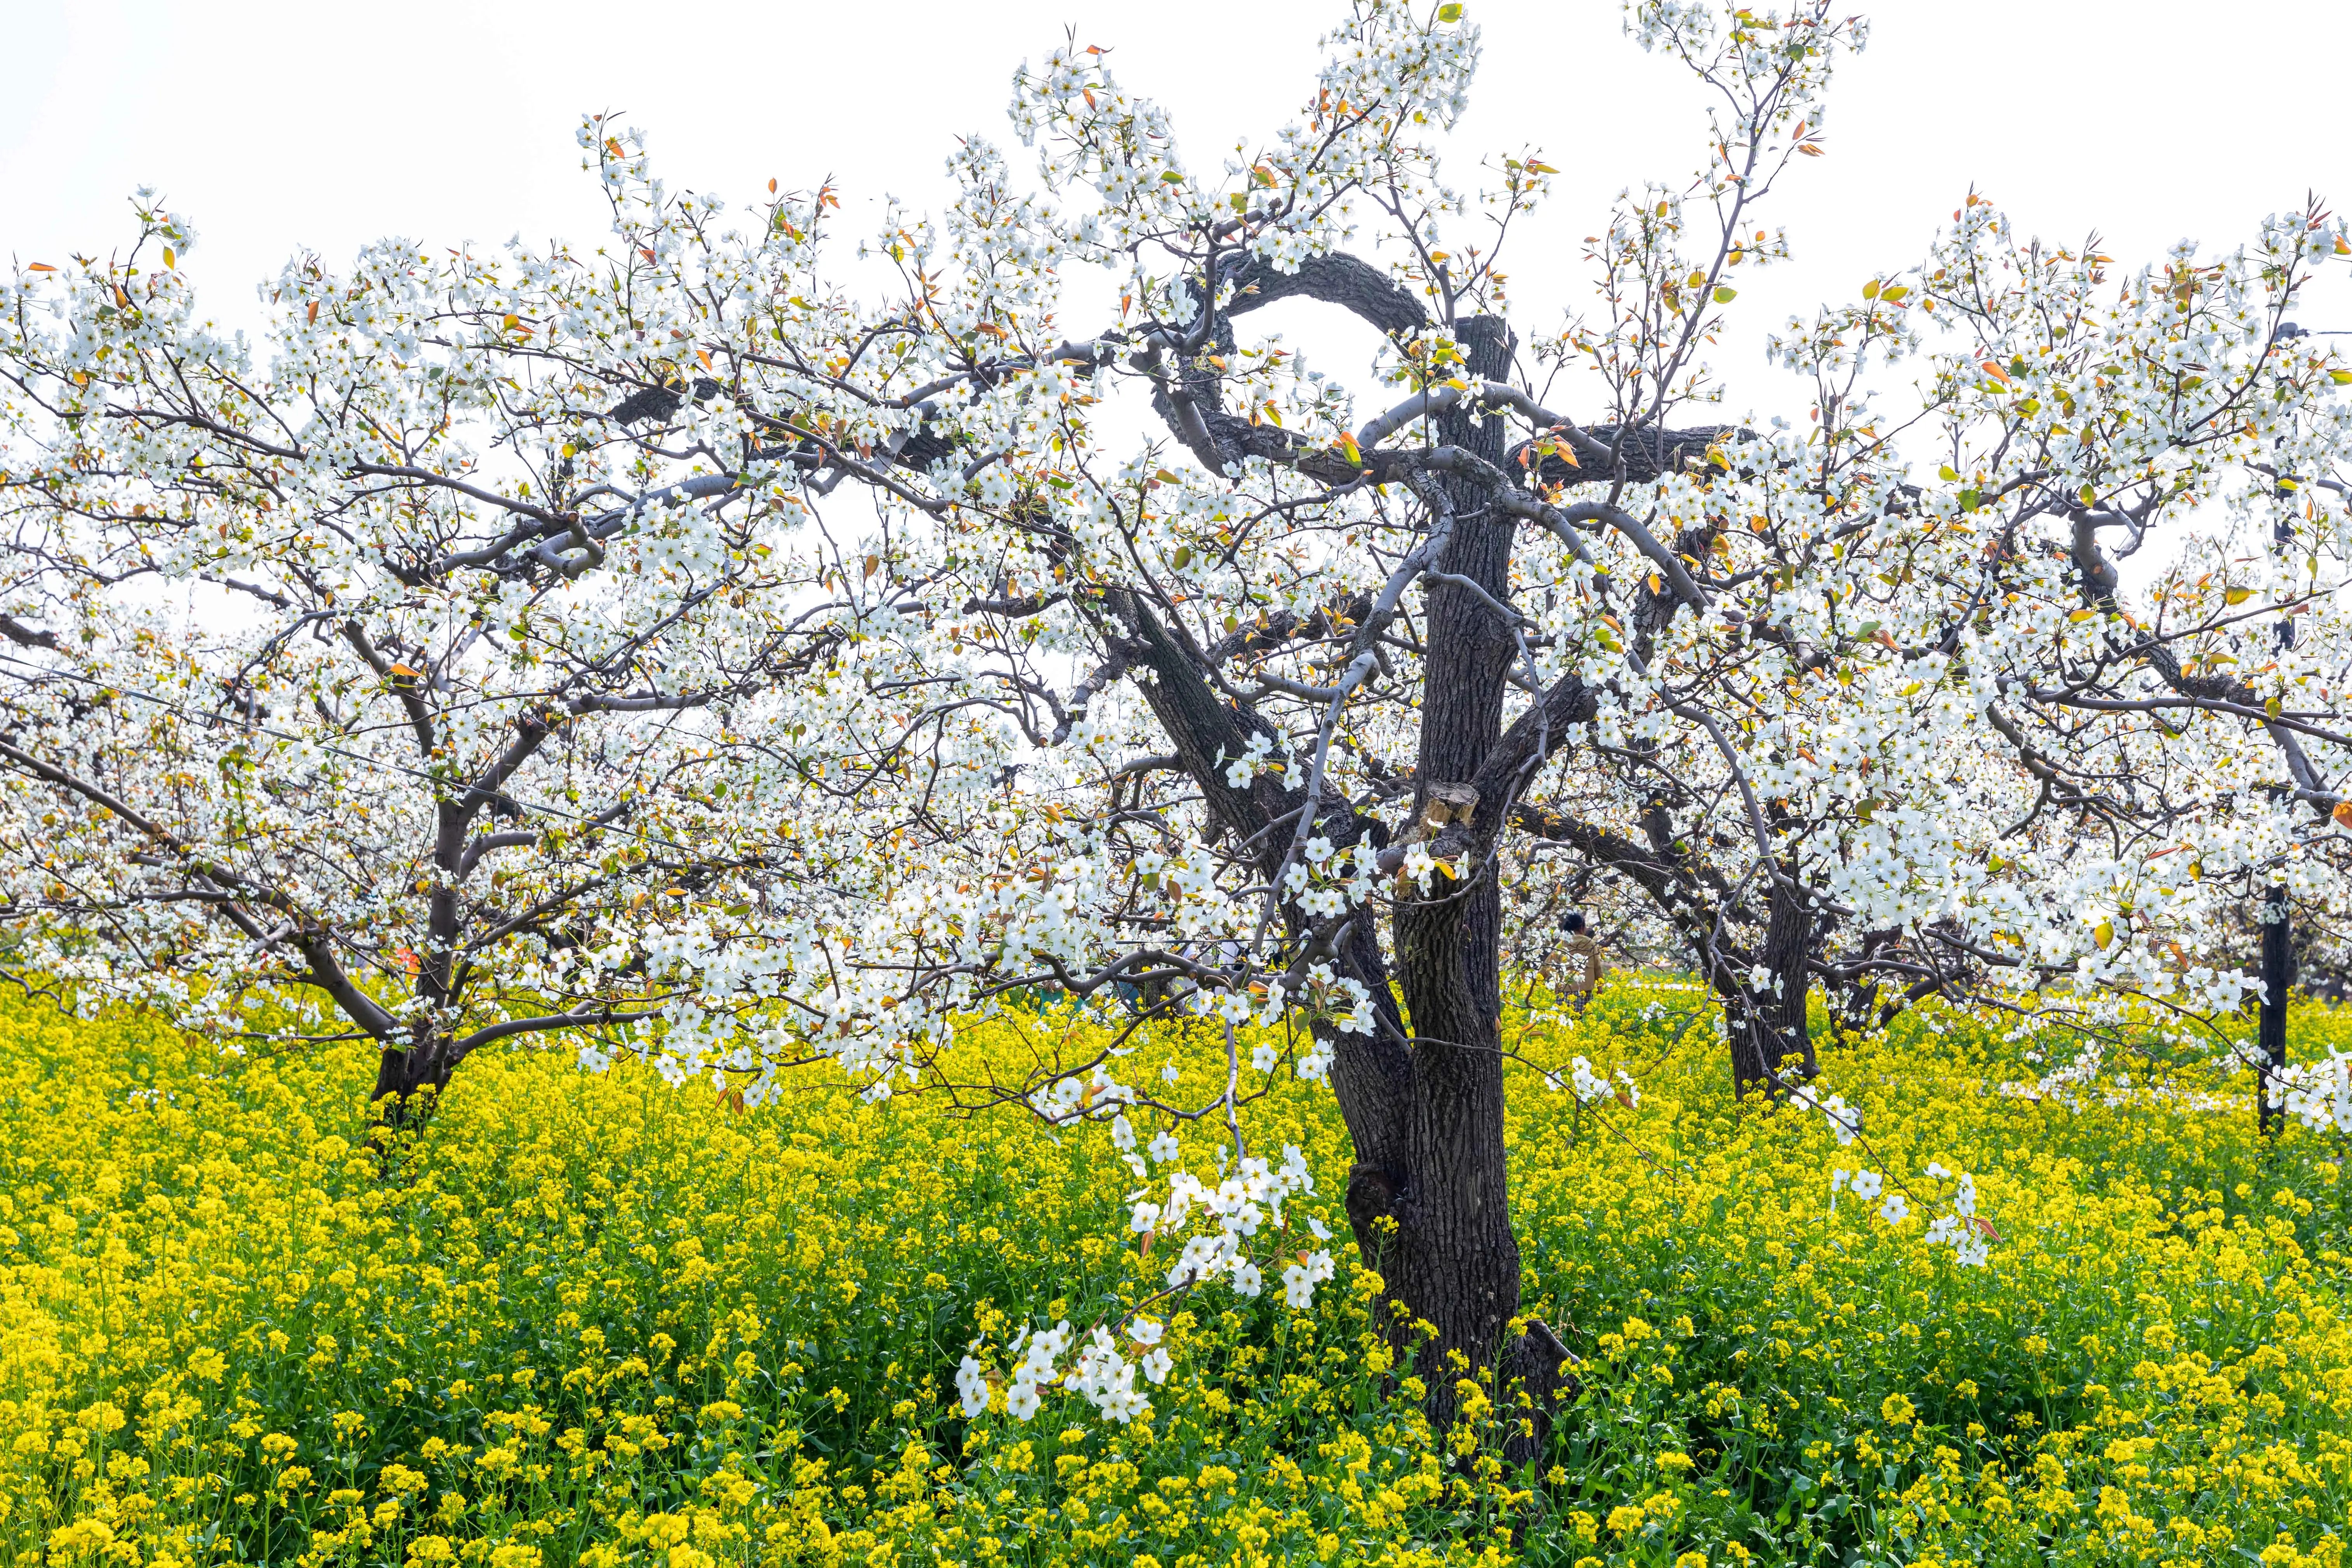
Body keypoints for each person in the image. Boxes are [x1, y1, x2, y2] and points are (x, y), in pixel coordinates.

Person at [1561, 912, 1607, 1005]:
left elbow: (1547, 965)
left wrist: (1537, 982)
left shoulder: (1562, 944)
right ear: (1582, 927)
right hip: (1584, 991)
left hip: (1564, 990)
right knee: (1581, 1018)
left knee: (1564, 1017)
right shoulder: (1590, 944)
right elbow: (1597, 967)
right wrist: (1600, 987)